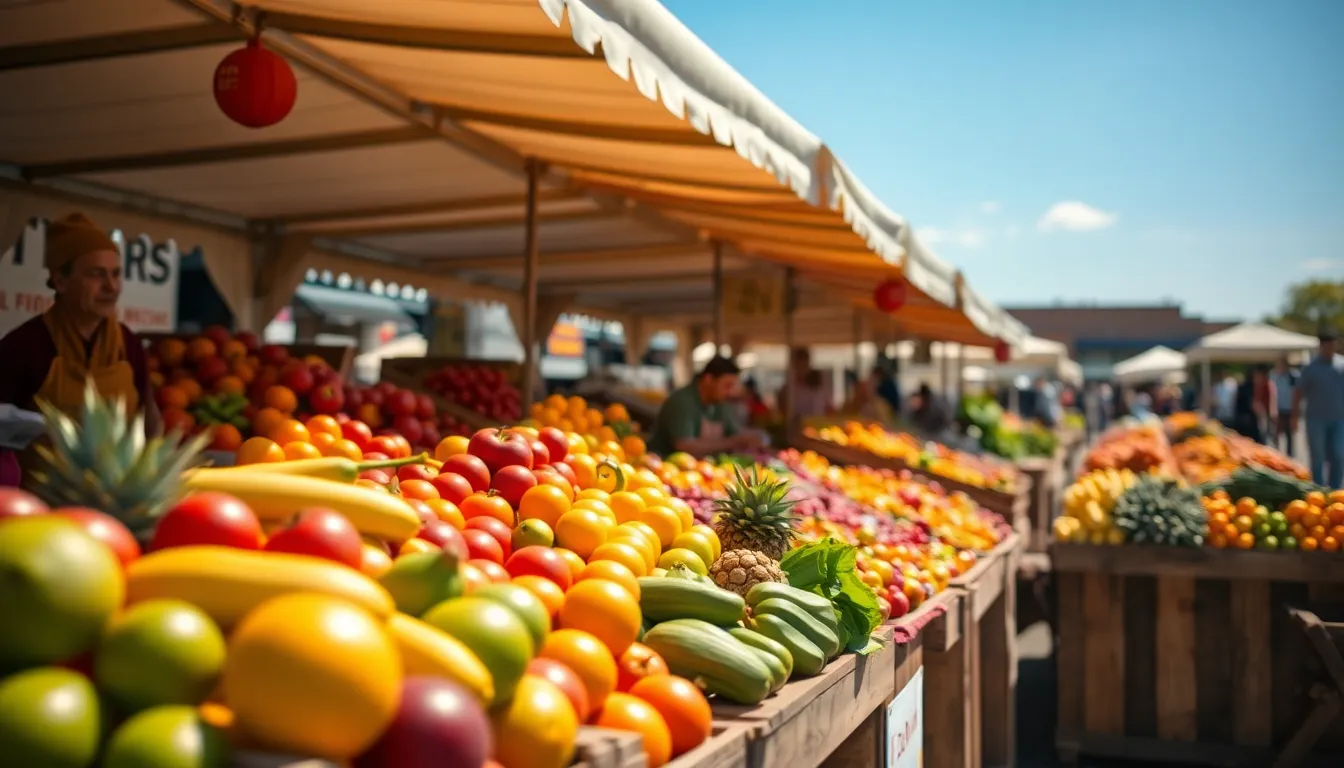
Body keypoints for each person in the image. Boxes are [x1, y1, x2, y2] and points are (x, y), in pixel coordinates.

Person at [0, 213, 160, 490]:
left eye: (116, 274)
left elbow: (151, 419)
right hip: (39, 509)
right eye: (97, 274)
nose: (111, 287)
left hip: (116, 501)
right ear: (60, 281)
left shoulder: (128, 344)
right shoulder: (23, 347)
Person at [647, 356, 761, 457]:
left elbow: (734, 432)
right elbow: (684, 446)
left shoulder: (720, 403)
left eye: (732, 387)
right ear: (708, 380)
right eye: (727, 386)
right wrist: (734, 442)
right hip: (664, 468)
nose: (730, 392)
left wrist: (754, 438)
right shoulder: (683, 401)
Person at [1293, 333, 1344, 488]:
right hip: (1316, 419)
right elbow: (1298, 392)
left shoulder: (1341, 365)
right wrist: (1294, 416)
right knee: (1318, 455)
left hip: (1339, 419)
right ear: (1320, 346)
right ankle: (1318, 489)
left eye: (1332, 345)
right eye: (1326, 345)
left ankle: (1335, 489)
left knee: (1338, 454)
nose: (1330, 348)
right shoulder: (1310, 368)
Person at [1231, 368, 1269, 443]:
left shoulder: (1242, 387)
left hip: (1242, 419)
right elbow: (1253, 404)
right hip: (1249, 421)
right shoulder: (1250, 388)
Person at [1269, 358, 1298, 455]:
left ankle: (1290, 455)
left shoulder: (1293, 376)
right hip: (1277, 409)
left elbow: (1296, 393)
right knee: (1275, 433)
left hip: (1289, 408)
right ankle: (1276, 453)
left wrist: (1296, 412)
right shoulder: (1273, 375)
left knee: (1289, 434)